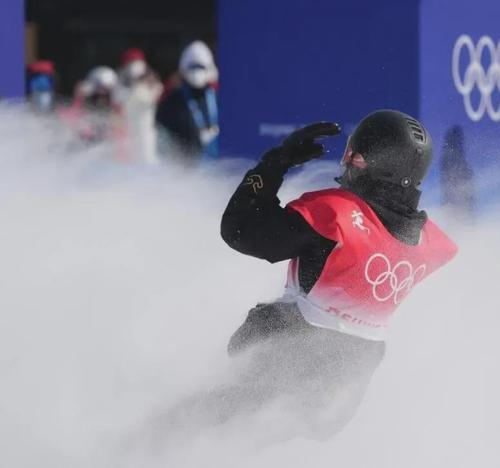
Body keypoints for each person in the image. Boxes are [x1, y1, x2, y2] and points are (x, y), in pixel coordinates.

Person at [179, 110, 458, 440]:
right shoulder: (427, 242)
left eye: (356, 156)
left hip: (277, 369)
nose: (348, 162)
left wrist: (275, 163)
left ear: (378, 167)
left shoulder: (335, 217)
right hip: (339, 399)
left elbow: (239, 230)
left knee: (178, 431)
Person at [156, 41, 220, 162]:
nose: (197, 72)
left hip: (217, 164)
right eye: (192, 67)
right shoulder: (172, 102)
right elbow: (164, 137)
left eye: (200, 67)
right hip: (184, 166)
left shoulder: (218, 98)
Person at [113, 48, 163, 164]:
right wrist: (131, 85)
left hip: (145, 130)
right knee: (127, 161)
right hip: (126, 132)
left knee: (147, 158)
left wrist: (142, 83)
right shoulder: (120, 83)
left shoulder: (151, 82)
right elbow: (118, 100)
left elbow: (154, 96)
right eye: (131, 63)